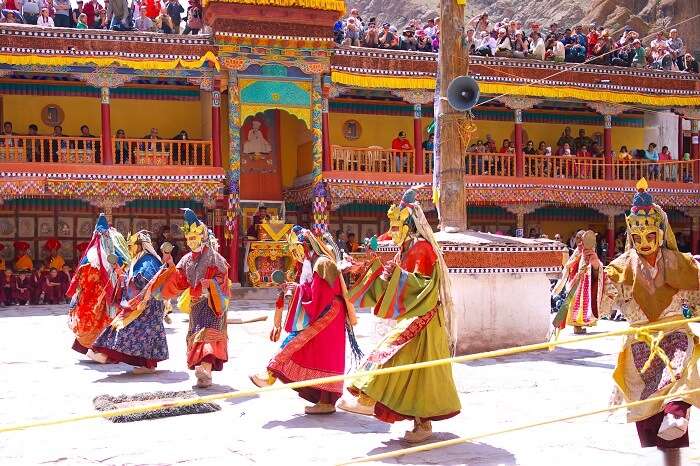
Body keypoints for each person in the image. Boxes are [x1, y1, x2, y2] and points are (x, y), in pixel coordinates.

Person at [338, 186, 461, 443]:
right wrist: (363, 269)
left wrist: (393, 275)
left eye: (396, 226)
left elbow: (420, 283)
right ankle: (406, 416)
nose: (391, 232)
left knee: (402, 361)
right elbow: (392, 278)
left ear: (409, 225)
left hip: (424, 320)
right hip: (415, 318)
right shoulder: (405, 249)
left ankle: (379, 403)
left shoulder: (421, 249)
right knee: (411, 371)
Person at [593, 178, 700, 466]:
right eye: (638, 238)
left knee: (679, 387)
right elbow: (602, 310)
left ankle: (676, 415)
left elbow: (697, 296)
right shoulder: (619, 267)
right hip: (641, 344)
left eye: (650, 236)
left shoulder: (681, 263)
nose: (645, 244)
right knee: (654, 423)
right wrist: (596, 275)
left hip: (675, 335)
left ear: (660, 232)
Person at [249, 228, 360, 414]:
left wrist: (298, 289)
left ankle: (271, 375)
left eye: (298, 249)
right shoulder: (313, 263)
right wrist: (295, 288)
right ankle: (274, 376)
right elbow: (311, 290)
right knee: (312, 351)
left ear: (306, 246)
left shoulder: (322, 263)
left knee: (301, 346)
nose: (296, 255)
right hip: (323, 311)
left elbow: (320, 294)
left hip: (328, 312)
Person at [156, 209, 232, 388]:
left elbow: (223, 277)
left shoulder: (215, 257)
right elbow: (179, 281)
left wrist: (211, 284)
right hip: (196, 306)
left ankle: (205, 370)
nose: (190, 242)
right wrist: (170, 265)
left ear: (202, 237)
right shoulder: (186, 259)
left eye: (194, 238)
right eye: (188, 238)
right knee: (196, 337)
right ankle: (203, 373)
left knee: (207, 337)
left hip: (212, 304)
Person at [92, 231, 169, 374]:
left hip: (148, 305)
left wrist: (128, 278)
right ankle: (108, 354)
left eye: (131, 245)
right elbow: (130, 279)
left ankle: (145, 364)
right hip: (138, 303)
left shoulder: (148, 261)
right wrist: (121, 274)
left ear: (140, 246)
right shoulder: (137, 259)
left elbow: (146, 281)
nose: (129, 248)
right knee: (123, 327)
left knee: (134, 331)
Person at [67, 214, 130, 361]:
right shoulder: (110, 253)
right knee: (104, 323)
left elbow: (79, 278)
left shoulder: (88, 255)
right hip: (102, 298)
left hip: (88, 297)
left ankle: (96, 351)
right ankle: (99, 352)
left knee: (91, 324)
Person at [550, 230, 602, 336]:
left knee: (584, 303)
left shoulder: (589, 250)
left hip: (586, 280)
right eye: (578, 238)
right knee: (576, 303)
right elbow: (568, 264)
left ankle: (580, 324)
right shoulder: (578, 251)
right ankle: (576, 326)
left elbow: (594, 265)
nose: (579, 241)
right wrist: (578, 264)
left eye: (580, 238)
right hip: (576, 279)